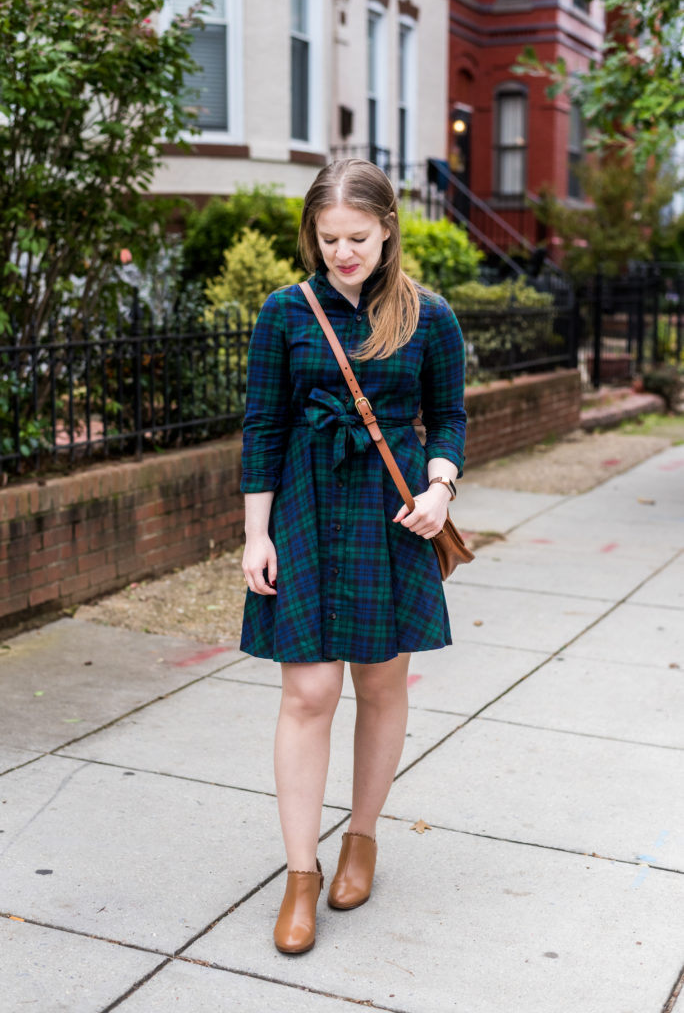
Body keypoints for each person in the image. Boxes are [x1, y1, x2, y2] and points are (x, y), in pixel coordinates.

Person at [240, 158, 466, 954]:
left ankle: (361, 838)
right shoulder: (284, 313)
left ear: (388, 231)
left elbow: (450, 416)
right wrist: (255, 532)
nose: (342, 253)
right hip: (303, 507)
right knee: (306, 693)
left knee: (381, 683)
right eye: (329, 238)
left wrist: (441, 485)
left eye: (357, 238)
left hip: (389, 514)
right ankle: (300, 874)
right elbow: (263, 427)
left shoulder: (428, 316)